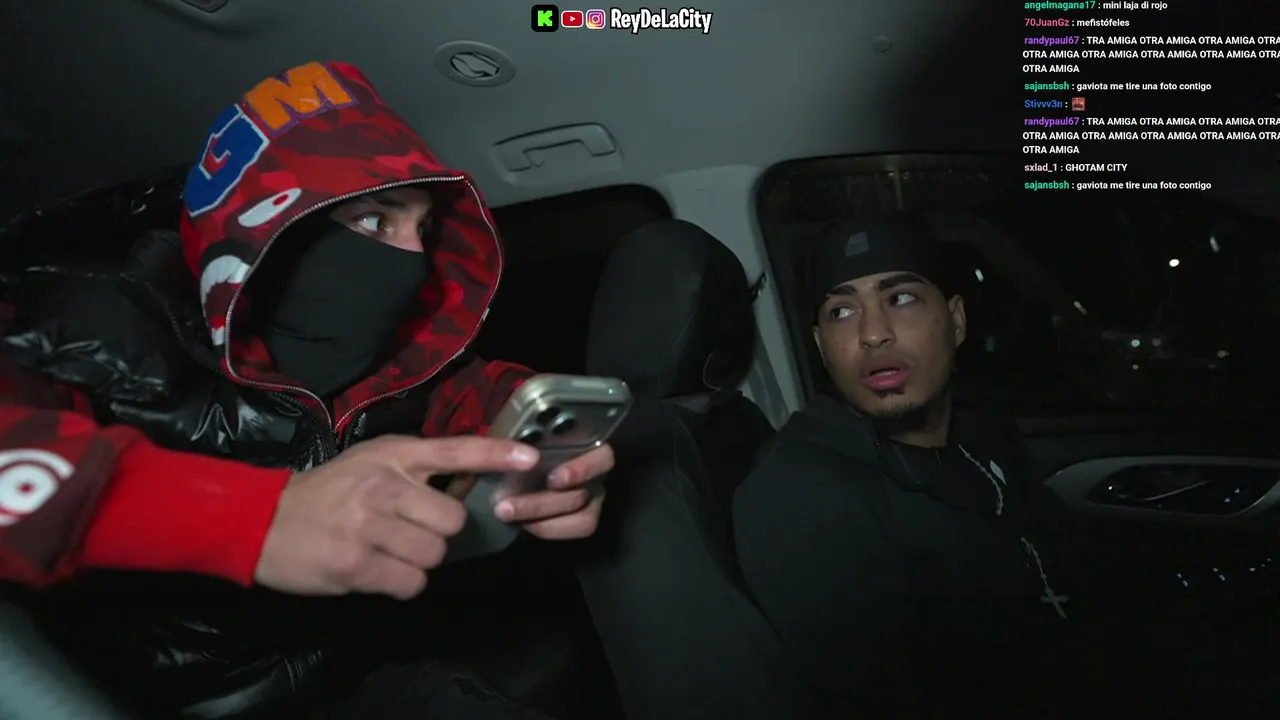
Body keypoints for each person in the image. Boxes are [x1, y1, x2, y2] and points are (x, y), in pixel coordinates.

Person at [0, 61, 611, 718]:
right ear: (268, 227)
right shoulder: (81, 325)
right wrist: (252, 518)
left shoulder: (386, 359)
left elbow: (467, 390)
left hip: (358, 677)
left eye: (425, 231)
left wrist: (539, 448)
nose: (411, 260)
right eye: (375, 222)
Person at [732, 213, 1117, 718]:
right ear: (822, 346)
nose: (873, 334)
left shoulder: (983, 435)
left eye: (900, 299)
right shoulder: (803, 493)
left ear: (956, 320)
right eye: (842, 311)